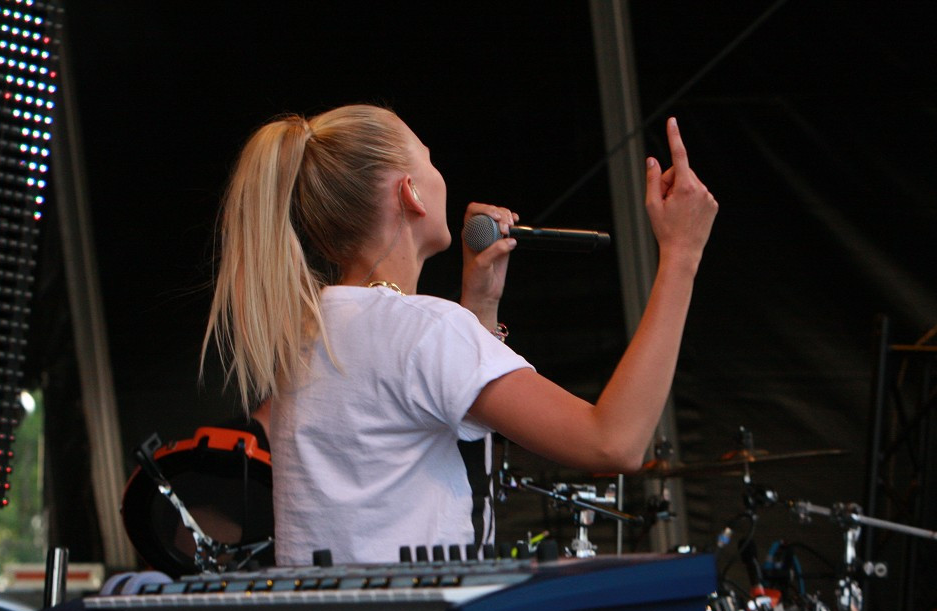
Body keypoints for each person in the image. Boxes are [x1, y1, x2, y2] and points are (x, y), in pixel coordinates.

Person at [204, 104, 717, 567]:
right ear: (409, 192)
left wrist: (480, 307)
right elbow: (615, 443)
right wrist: (681, 256)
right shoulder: (424, 330)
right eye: (429, 161)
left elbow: (411, 400)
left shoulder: (311, 332)